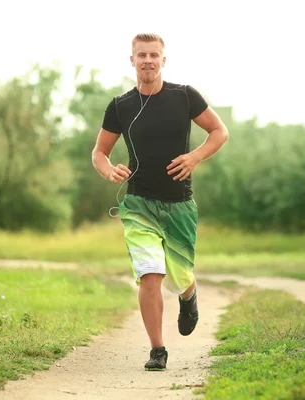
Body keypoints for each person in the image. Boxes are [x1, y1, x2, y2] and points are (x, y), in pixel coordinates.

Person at [91, 33, 229, 371]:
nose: (148, 60)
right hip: (138, 204)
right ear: (132, 60)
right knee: (150, 274)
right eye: (142, 55)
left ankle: (188, 293)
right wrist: (109, 170)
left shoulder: (184, 96)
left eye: (154, 54)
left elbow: (219, 131)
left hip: (179, 203)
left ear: (163, 60)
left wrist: (194, 157)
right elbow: (99, 152)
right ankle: (157, 349)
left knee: (179, 275)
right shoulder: (120, 105)